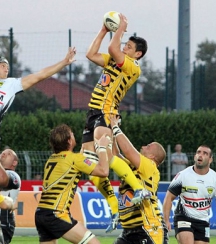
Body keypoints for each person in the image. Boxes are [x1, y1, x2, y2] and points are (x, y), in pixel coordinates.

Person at [81, 13, 149, 231]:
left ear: (137, 54)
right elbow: (90, 54)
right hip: (93, 112)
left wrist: (119, 30)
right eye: (125, 45)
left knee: (107, 158)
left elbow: (112, 49)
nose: (125, 47)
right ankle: (113, 208)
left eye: (129, 46)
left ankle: (139, 188)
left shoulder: (132, 66)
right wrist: (103, 30)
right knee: (90, 165)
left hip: (106, 111)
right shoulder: (116, 60)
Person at [35, 124, 111, 244]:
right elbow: (104, 171)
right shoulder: (74, 159)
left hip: (41, 214)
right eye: (72, 134)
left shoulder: (52, 158)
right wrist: (102, 148)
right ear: (69, 141)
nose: (74, 135)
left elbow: (75, 161)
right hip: (56, 214)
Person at [109, 115, 168, 244]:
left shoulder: (150, 166)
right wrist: (113, 130)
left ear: (152, 156)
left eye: (148, 146)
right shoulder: (134, 167)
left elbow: (128, 151)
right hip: (129, 230)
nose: (144, 146)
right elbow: (114, 155)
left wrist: (115, 128)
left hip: (149, 228)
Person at [163, 145, 216, 244]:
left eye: (205, 153)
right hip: (183, 217)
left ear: (210, 160)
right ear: (194, 156)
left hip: (203, 222)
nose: (200, 155)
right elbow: (168, 198)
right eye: (198, 152)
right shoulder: (182, 176)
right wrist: (166, 220)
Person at [0, 148, 21, 244]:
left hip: (3, 223)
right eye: (3, 152)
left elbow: (1, 180)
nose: (4, 154)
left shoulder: (13, 176)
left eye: (9, 154)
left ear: (14, 163)